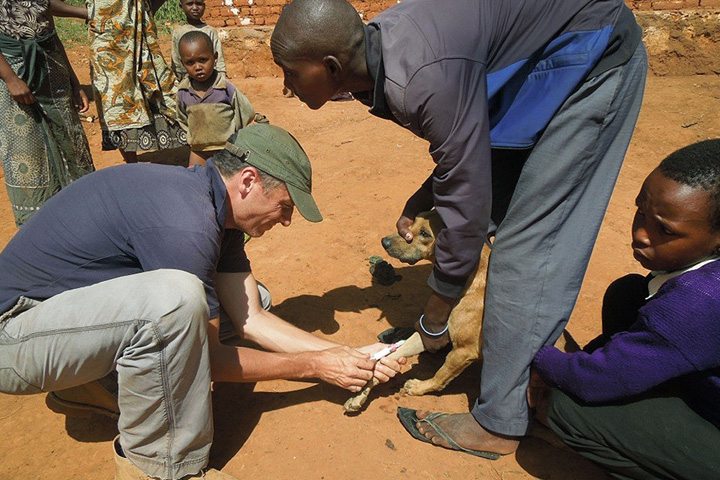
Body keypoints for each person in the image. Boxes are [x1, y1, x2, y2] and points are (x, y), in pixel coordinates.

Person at [271, 0, 648, 457]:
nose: (286, 86)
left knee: (527, 249)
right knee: (483, 216)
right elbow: (465, 150)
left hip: (591, 58)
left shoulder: (422, 76)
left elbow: (466, 207)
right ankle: (497, 352)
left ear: (331, 67)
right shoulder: (384, 53)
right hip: (535, 75)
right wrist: (422, 199)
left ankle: (502, 422)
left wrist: (434, 318)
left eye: (290, 73)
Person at [0, 123, 404, 480]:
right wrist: (315, 366)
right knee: (175, 302)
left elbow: (253, 319)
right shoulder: (186, 222)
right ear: (248, 181)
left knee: (242, 299)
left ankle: (92, 386)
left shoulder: (211, 204)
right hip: (15, 336)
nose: (286, 221)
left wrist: (349, 355)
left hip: (63, 325)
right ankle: (158, 469)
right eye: (285, 206)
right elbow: (206, 357)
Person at [529, 139, 720, 480]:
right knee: (628, 293)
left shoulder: (699, 301)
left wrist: (541, 357)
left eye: (664, 229)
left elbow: (594, 381)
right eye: (641, 211)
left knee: (569, 410)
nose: (641, 234)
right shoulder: (701, 280)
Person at [0, 0, 95, 227]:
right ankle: (38, 226)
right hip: (13, 65)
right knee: (25, 146)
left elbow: (47, 18)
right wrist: (10, 79)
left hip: (52, 63)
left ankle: (86, 213)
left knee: (71, 139)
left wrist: (74, 82)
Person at [83, 0, 185, 163]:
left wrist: (146, 9)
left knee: (163, 88)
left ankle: (203, 149)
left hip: (140, 34)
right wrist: (93, 13)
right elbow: (50, 4)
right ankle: (132, 165)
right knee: (117, 101)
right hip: (107, 43)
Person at [176, 31, 261, 167]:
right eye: (190, 62)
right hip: (199, 150)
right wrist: (193, 136)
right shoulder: (183, 92)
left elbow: (246, 111)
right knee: (198, 181)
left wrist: (233, 133)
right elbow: (182, 118)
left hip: (226, 148)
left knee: (227, 183)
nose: (197, 67)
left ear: (215, 57)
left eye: (203, 60)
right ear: (182, 63)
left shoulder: (226, 89)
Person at [171, 0, 228, 82]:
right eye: (190, 4)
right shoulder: (178, 32)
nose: (195, 8)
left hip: (210, 80)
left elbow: (219, 61)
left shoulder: (210, 31)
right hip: (187, 80)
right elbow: (176, 60)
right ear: (181, 6)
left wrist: (221, 80)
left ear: (204, 6)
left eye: (199, 4)